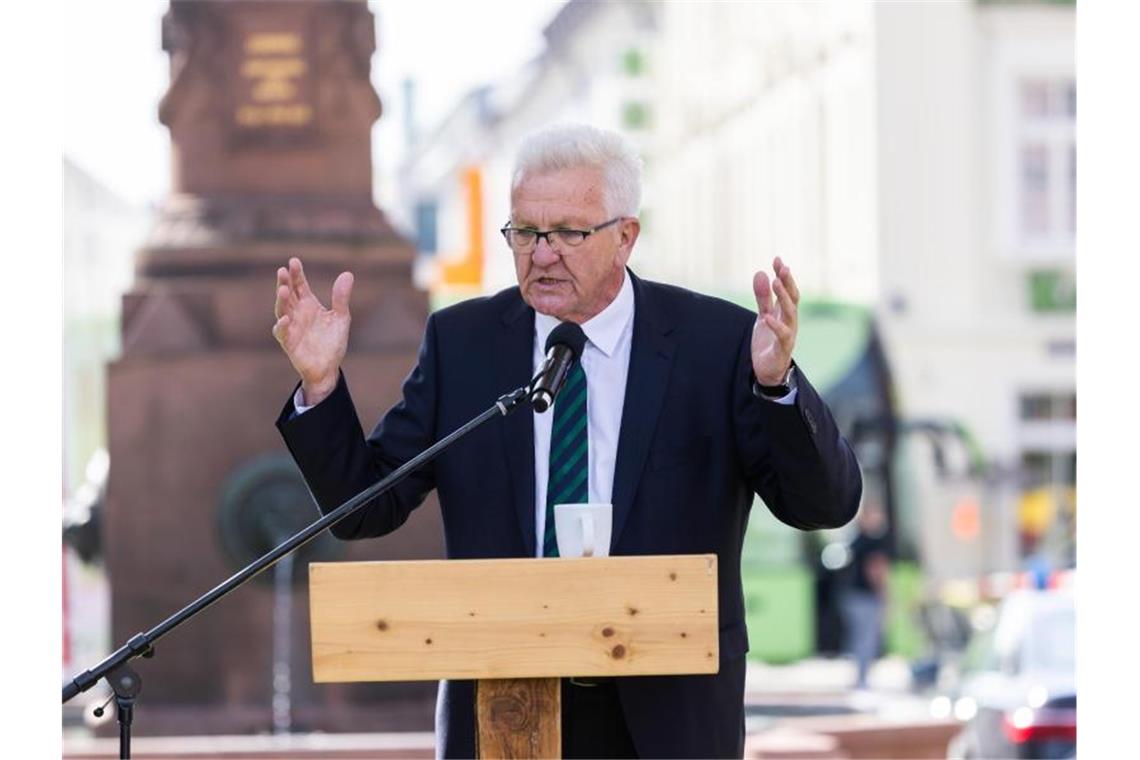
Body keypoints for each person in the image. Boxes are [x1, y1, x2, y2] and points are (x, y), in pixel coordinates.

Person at [273, 123, 862, 759]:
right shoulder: (464, 344)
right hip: (506, 709)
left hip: (668, 717)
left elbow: (823, 506)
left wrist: (776, 386)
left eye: (568, 233)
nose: (542, 253)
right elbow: (365, 507)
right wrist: (321, 385)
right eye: (524, 232)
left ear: (626, 237)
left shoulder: (716, 343)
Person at [841, 505, 891, 690]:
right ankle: (862, 679)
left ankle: (859, 677)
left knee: (858, 638)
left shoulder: (856, 540)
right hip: (866, 597)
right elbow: (876, 570)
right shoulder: (873, 542)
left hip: (852, 595)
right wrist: (883, 593)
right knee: (867, 639)